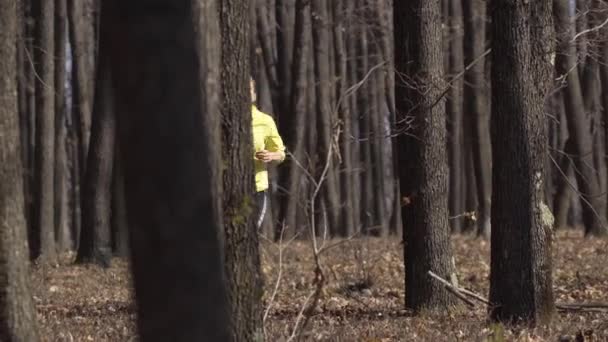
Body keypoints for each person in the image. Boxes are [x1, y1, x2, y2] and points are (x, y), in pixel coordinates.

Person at [251, 78, 285, 229]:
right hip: (227, 188)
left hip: (257, 188)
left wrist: (271, 155)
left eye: (249, 90)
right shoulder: (222, 119)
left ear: (254, 94)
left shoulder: (264, 121)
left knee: (250, 234)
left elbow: (281, 152)